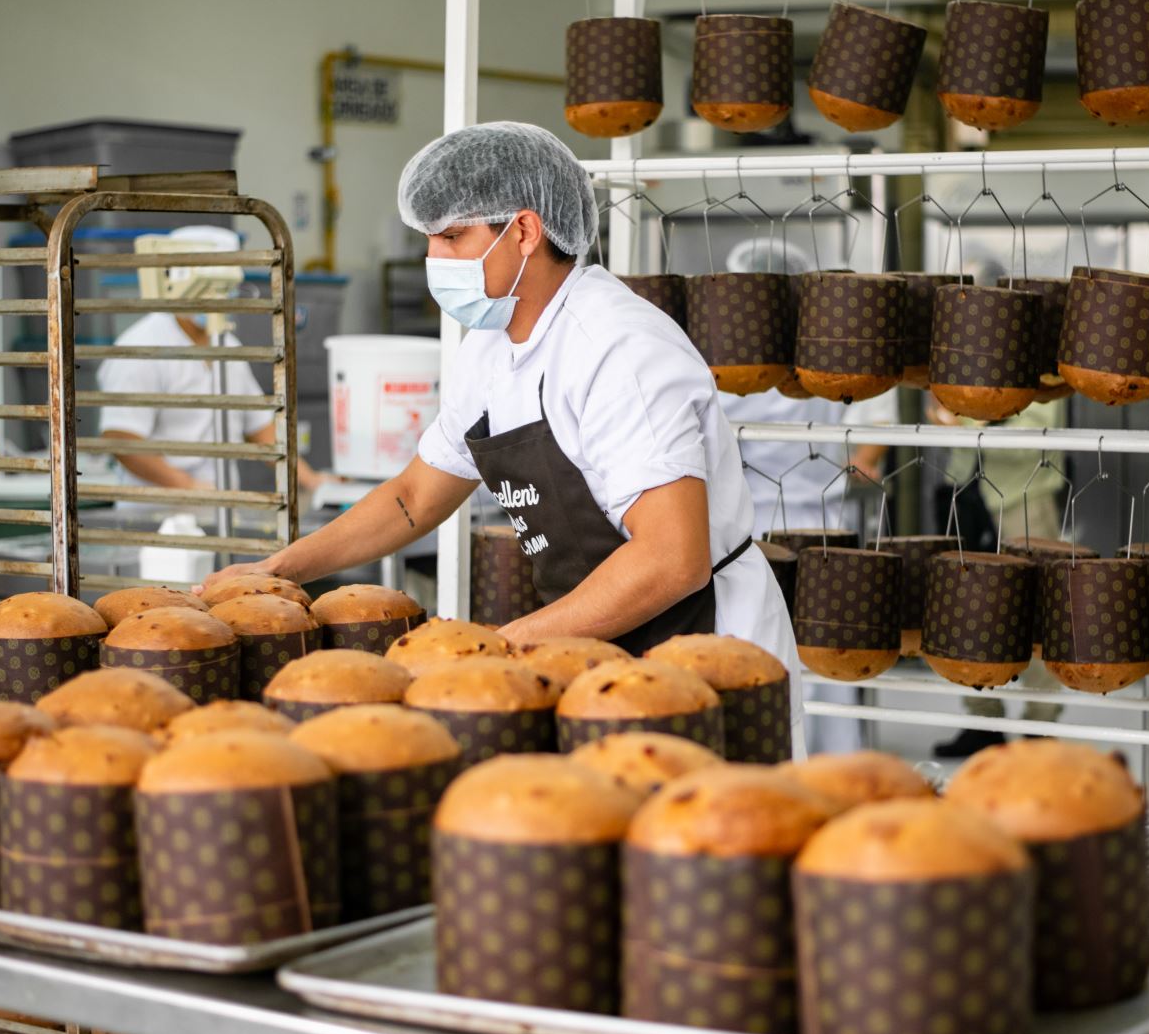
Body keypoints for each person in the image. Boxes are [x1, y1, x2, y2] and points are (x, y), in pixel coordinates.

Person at [201, 122, 800, 728]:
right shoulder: (489, 348)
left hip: (702, 648)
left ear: (523, 231)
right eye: (430, 241)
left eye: (454, 237)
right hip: (587, 643)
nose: (435, 261)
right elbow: (413, 498)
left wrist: (503, 648)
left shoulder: (618, 348)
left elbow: (671, 560)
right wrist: (280, 569)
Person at [98, 225, 326, 504]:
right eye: (210, 287)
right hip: (155, 516)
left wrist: (310, 480)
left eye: (226, 288)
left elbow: (261, 428)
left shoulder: (228, 347)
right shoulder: (140, 347)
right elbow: (122, 440)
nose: (221, 298)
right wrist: (189, 487)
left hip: (221, 512)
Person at [726, 387, 892, 754]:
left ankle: (802, 754)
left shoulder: (730, 375)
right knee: (826, 642)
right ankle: (830, 755)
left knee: (797, 642)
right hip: (810, 516)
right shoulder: (812, 374)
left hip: (770, 522)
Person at [929, 393, 1070, 757]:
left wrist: (965, 422)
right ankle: (983, 720)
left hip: (1022, 498)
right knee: (968, 613)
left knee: (1037, 613)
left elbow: (1034, 437)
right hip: (968, 495)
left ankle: (1040, 725)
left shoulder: (1038, 373)